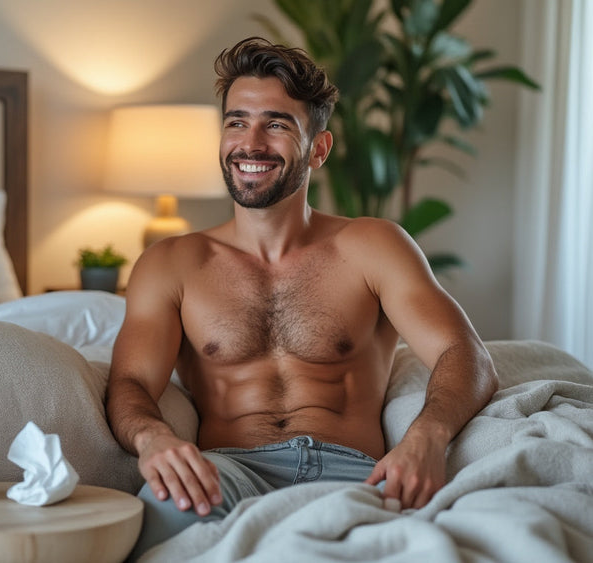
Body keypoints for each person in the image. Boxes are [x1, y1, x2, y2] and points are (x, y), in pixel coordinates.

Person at [106, 36, 498, 559]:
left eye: (277, 123)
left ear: (318, 148)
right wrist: (152, 437)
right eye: (236, 121)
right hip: (224, 474)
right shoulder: (171, 263)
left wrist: (426, 436)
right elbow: (129, 382)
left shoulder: (372, 246)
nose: (251, 142)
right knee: (156, 526)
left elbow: (466, 353)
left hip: (357, 476)